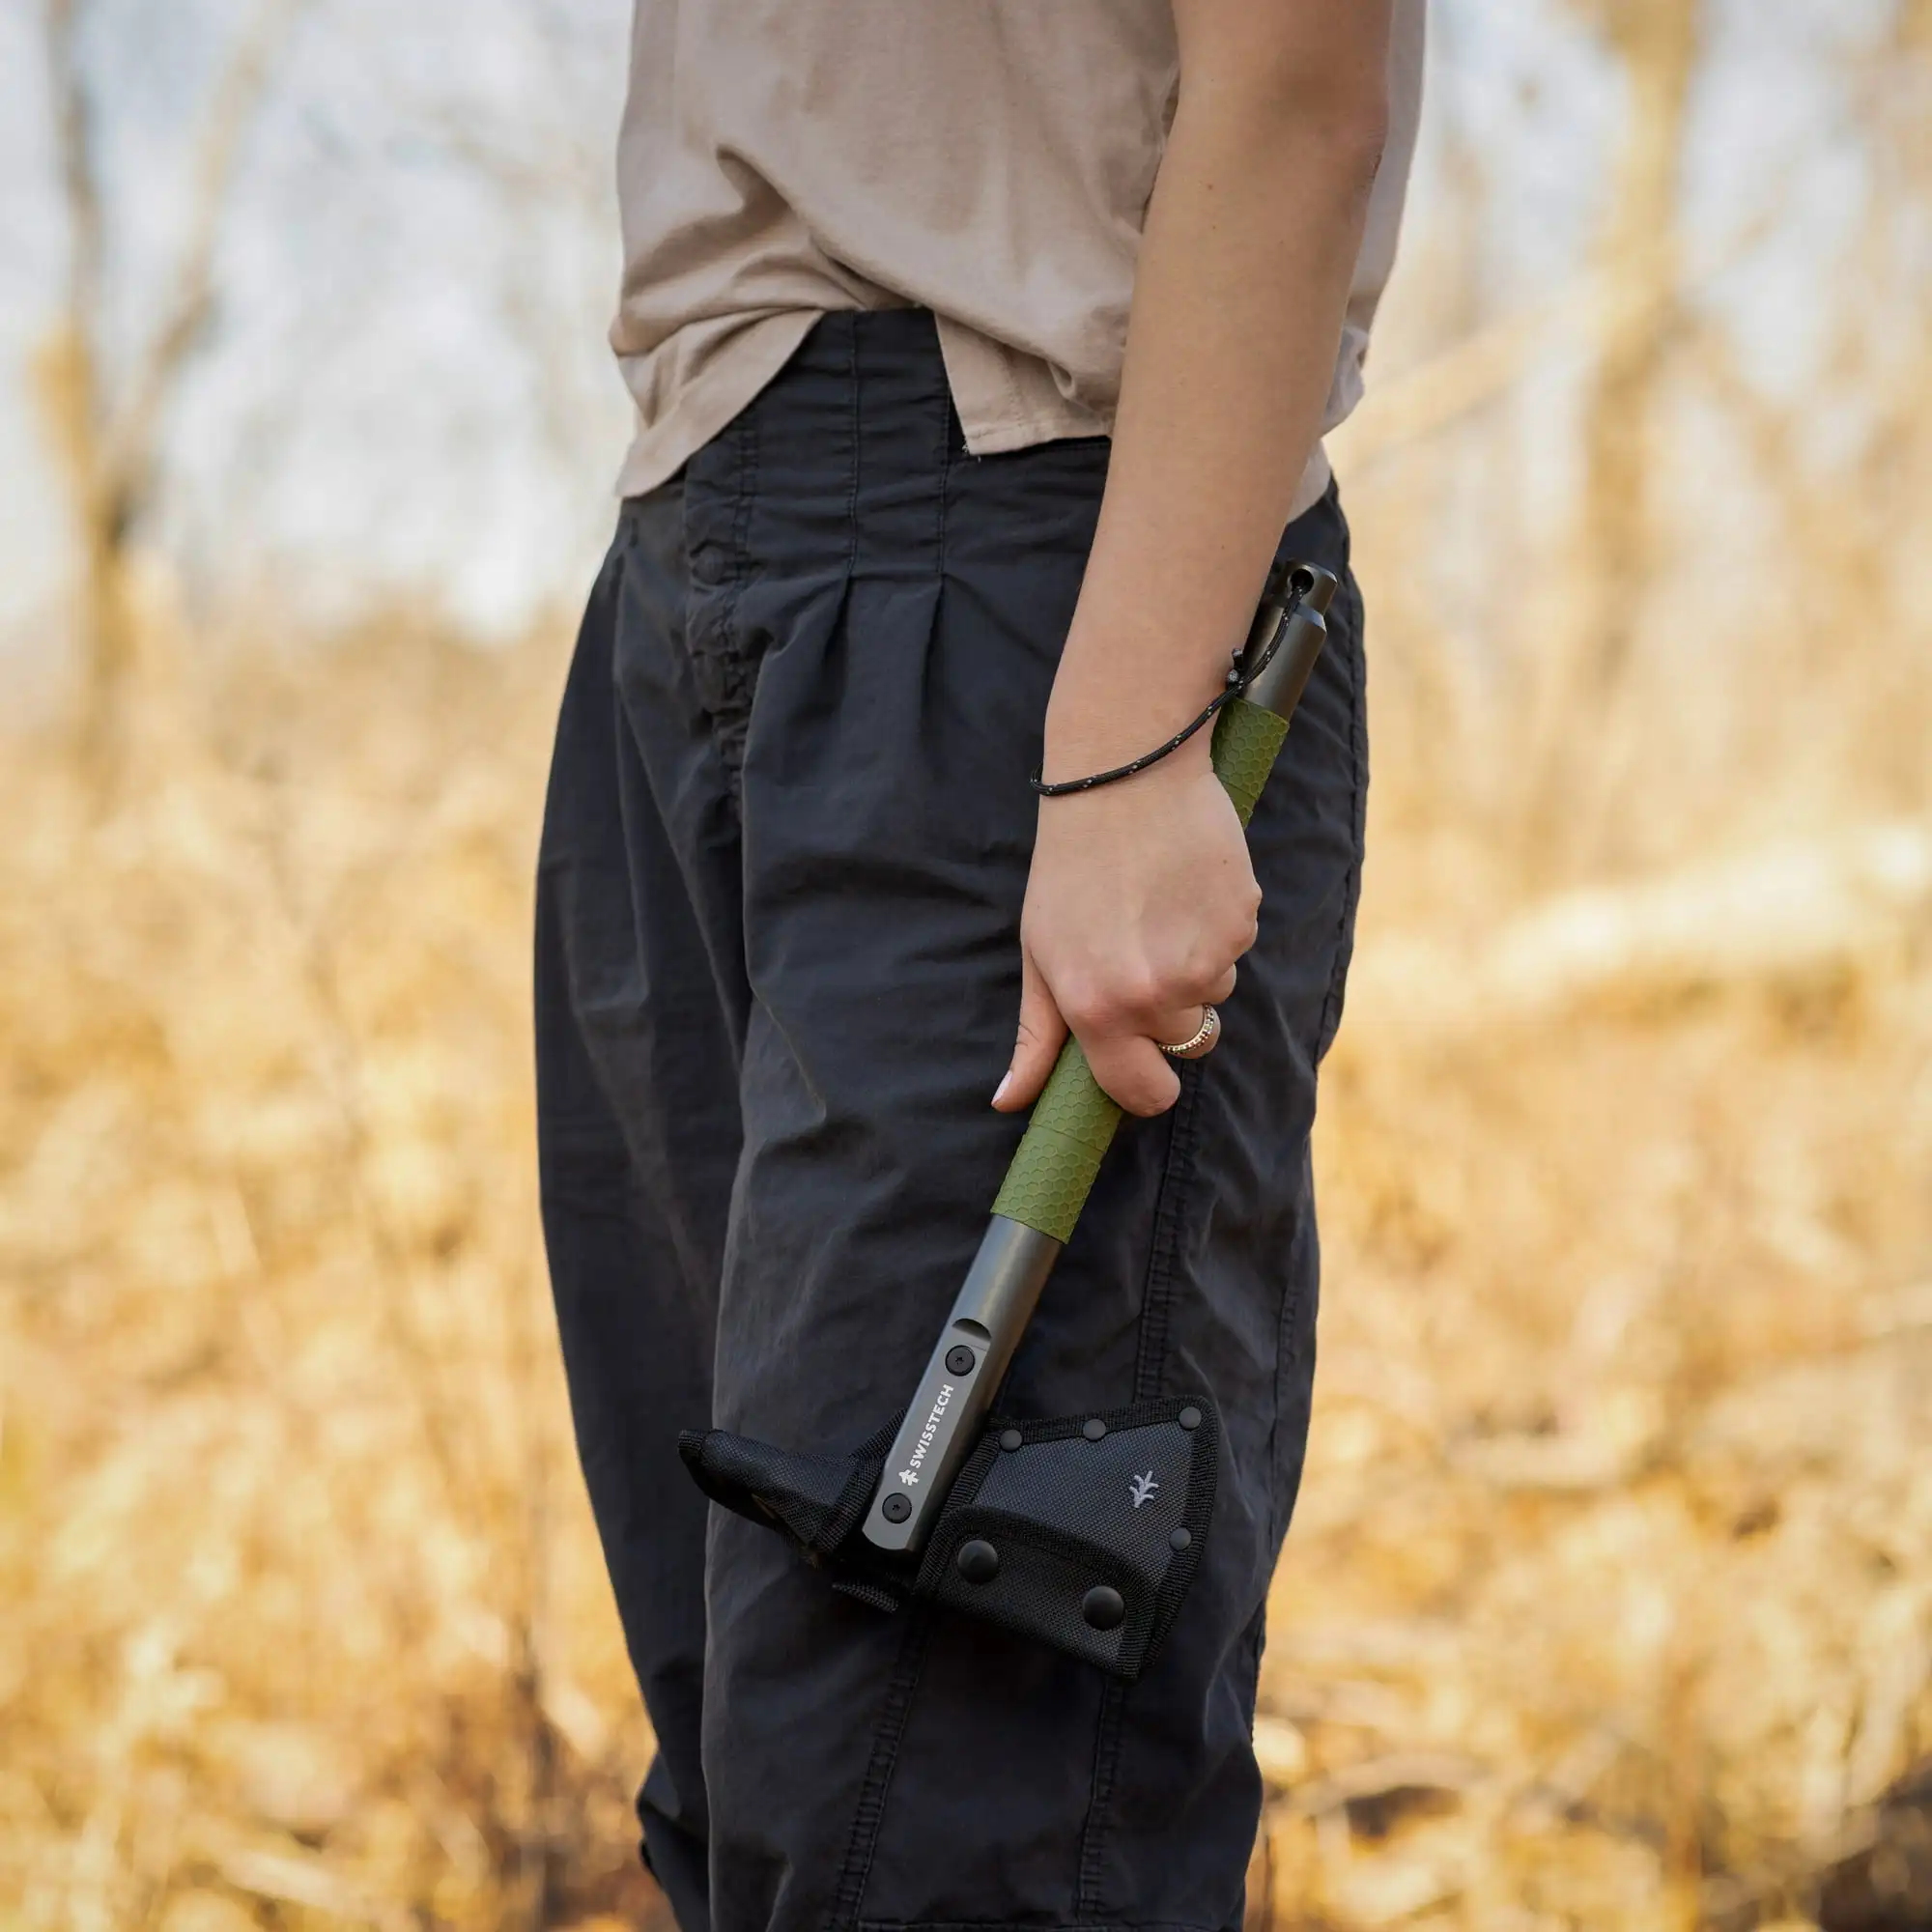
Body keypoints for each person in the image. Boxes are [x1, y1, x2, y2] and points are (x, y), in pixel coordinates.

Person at [534, 3, 1423, 1924]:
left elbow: (1295, 89)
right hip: (695, 546)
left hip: (1045, 558)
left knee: (946, 1783)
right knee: (750, 1751)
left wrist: (1121, 739)